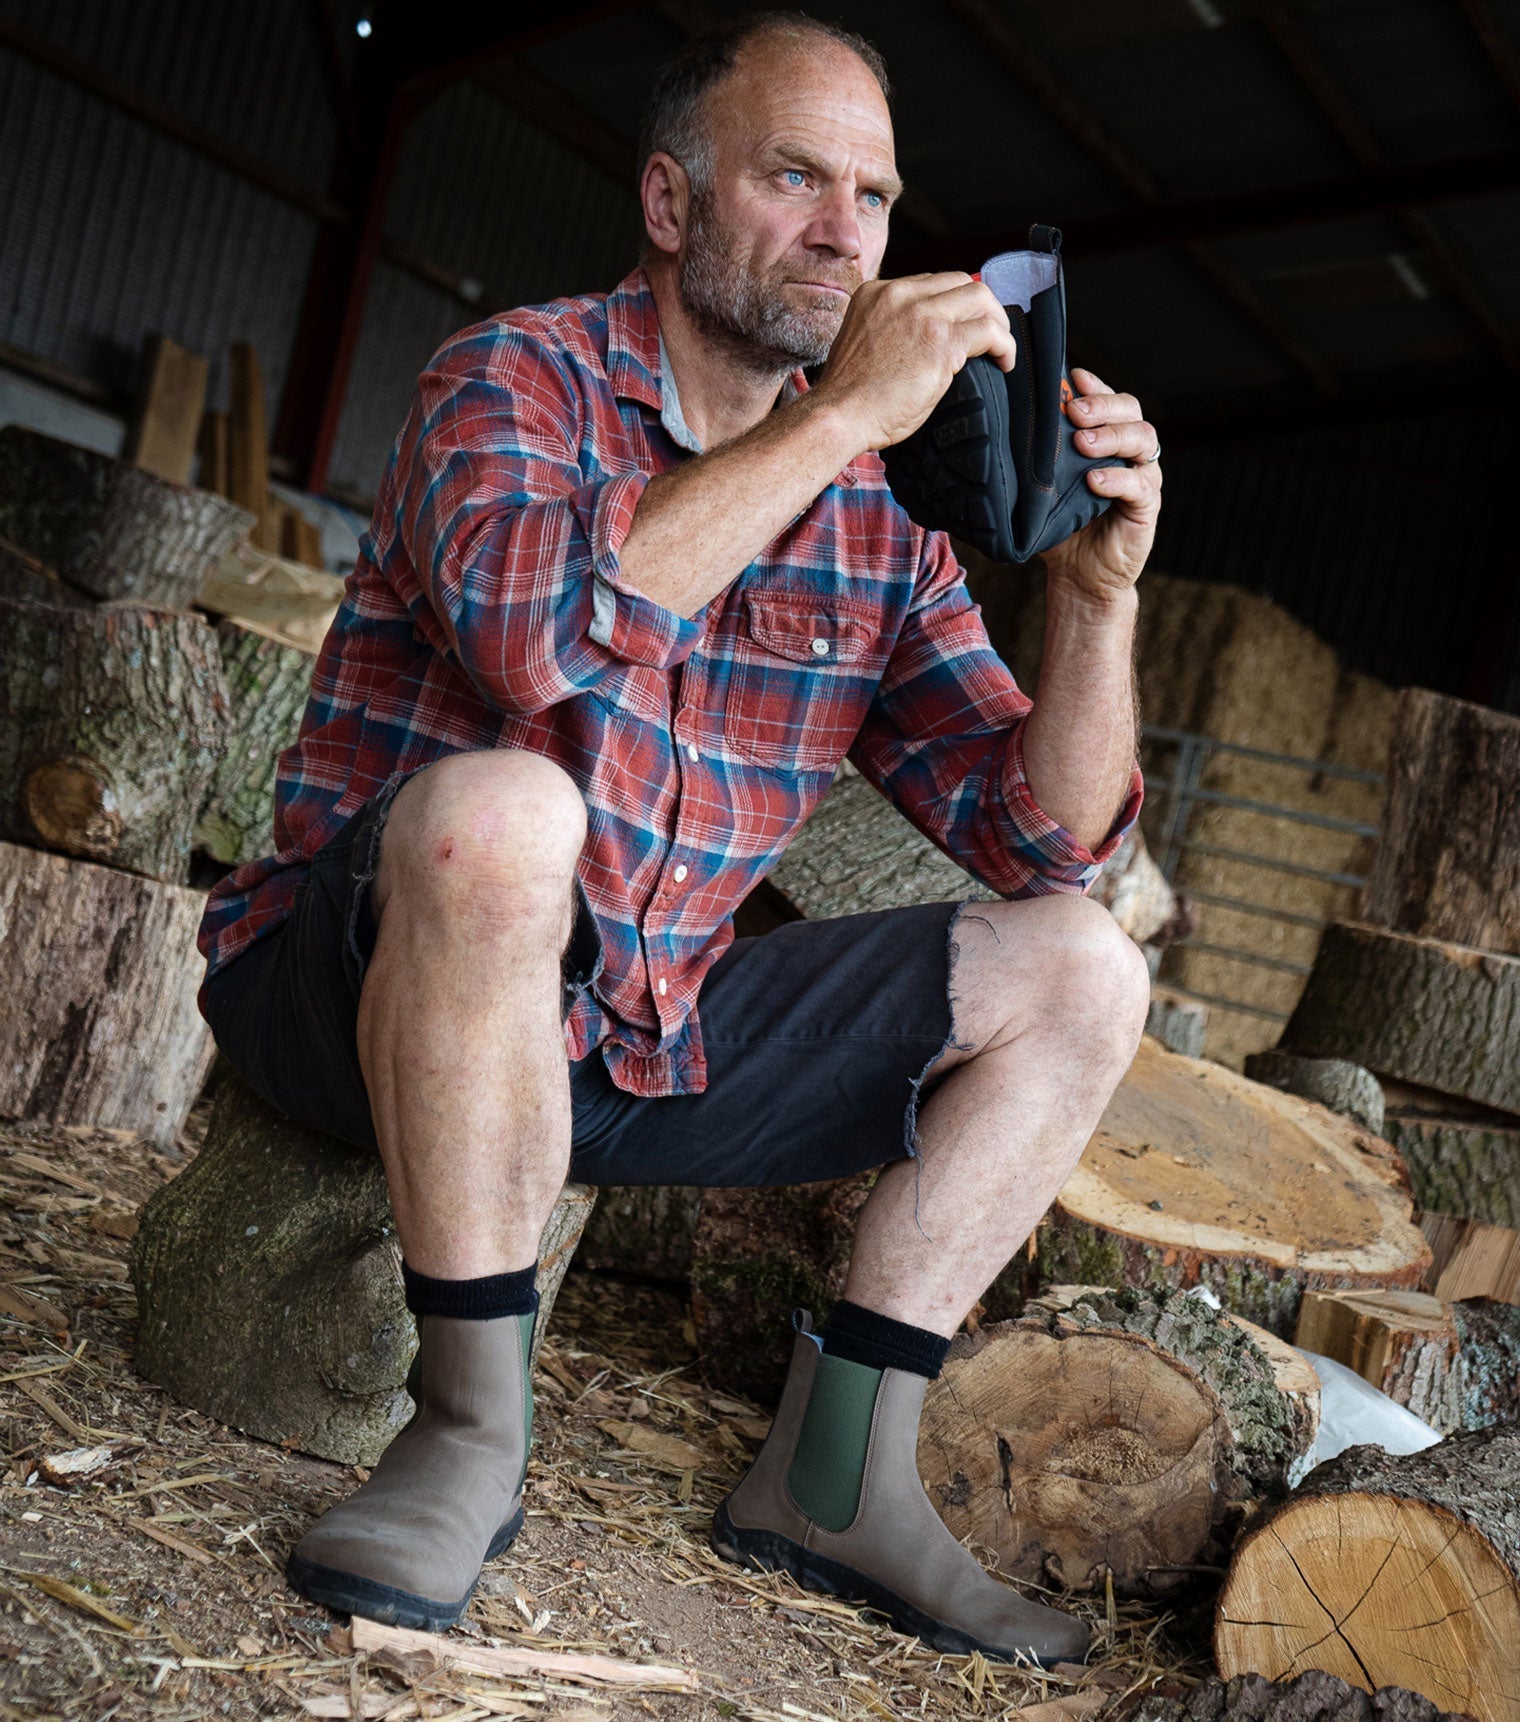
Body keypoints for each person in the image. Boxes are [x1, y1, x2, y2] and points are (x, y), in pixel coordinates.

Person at [197, 9, 1161, 1668]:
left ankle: (840, 1470)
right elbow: (530, 646)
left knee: (1082, 965)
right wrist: (836, 424)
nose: (845, 230)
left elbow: (1046, 843)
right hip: (361, 1000)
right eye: (794, 174)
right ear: (668, 201)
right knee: (512, 807)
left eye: (872, 194)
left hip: (632, 1040)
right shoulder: (509, 379)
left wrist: (1095, 599)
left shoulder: (880, 523)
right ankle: (465, 1433)